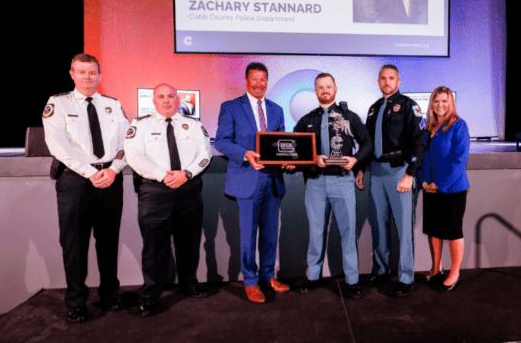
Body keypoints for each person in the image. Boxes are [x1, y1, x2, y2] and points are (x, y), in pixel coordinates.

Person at [42, 53, 129, 322]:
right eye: (82, 72)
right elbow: (57, 145)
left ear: (99, 75)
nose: (87, 77)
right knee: (75, 244)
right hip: (76, 181)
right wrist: (92, 173)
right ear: (72, 74)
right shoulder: (57, 103)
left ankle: (110, 295)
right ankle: (77, 301)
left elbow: (129, 142)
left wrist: (113, 170)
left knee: (108, 241)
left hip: (111, 179)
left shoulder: (112, 105)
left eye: (92, 73)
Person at [125, 83, 212, 316]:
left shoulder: (194, 125)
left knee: (189, 243)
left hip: (189, 189)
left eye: (170, 96)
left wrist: (186, 173)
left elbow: (205, 154)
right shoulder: (140, 125)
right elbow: (134, 156)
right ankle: (151, 295)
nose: (166, 101)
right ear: (153, 101)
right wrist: (164, 175)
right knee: (154, 247)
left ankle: (189, 284)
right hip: (155, 192)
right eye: (161, 97)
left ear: (178, 99)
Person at [213, 62, 291, 303]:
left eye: (263, 80)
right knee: (248, 235)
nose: (259, 84)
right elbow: (221, 142)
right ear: (246, 81)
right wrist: (245, 153)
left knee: (270, 234)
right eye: (254, 79)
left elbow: (280, 145)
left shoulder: (276, 109)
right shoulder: (231, 107)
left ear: (267, 82)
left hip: (273, 180)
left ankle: (268, 275)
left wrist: (288, 161)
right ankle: (250, 281)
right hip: (247, 178)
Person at [293, 73, 373, 299]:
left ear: (335, 89)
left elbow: (368, 143)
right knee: (316, 233)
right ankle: (313, 277)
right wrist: (310, 159)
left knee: (348, 233)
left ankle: (352, 280)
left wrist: (355, 160)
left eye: (328, 86)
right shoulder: (307, 120)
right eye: (320, 87)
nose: (325, 90)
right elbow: (295, 149)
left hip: (343, 181)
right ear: (315, 91)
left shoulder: (349, 117)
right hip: (315, 183)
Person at [355, 65, 426, 296]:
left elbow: (419, 141)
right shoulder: (374, 108)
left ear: (399, 81)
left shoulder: (408, 106)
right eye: (383, 78)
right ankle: (381, 269)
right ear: (378, 81)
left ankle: (406, 277)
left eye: (391, 78)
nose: (387, 82)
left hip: (399, 171)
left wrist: (410, 173)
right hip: (376, 170)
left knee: (404, 227)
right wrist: (362, 169)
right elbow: (368, 143)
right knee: (379, 224)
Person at [418, 86, 470, 291]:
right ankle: (435, 269)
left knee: (453, 230)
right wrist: (423, 180)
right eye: (436, 101)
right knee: (434, 230)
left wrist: (440, 183)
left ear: (451, 104)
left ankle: (454, 272)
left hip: (452, 188)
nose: (440, 105)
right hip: (430, 188)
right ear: (432, 103)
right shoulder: (427, 127)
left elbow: (459, 159)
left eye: (444, 101)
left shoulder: (459, 126)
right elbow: (421, 157)